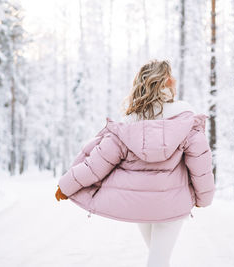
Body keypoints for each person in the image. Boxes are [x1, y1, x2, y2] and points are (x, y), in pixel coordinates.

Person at [55, 59, 216, 267]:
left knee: (157, 260)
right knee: (158, 261)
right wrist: (204, 199)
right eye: (172, 76)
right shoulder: (185, 122)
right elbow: (201, 166)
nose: (175, 80)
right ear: (166, 81)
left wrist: (66, 186)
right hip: (172, 204)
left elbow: (96, 165)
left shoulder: (127, 126)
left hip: (140, 205)